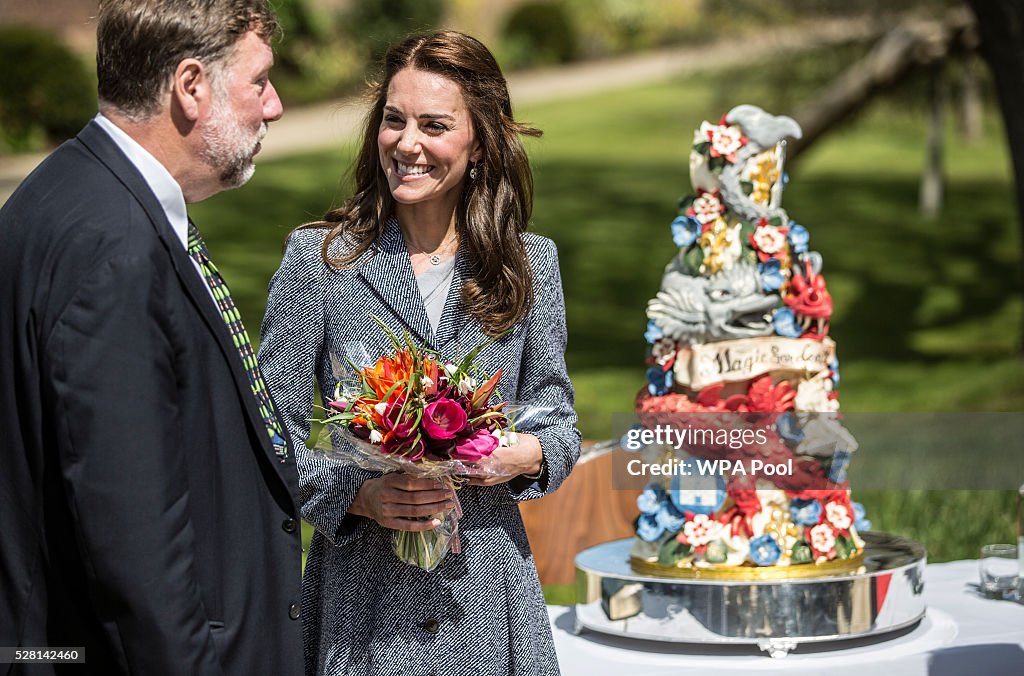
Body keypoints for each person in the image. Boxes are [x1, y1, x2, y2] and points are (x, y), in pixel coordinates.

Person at [258, 30, 581, 676]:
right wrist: (360, 495)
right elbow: (270, 437)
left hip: (490, 599)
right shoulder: (319, 262)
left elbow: (557, 419)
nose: (407, 144)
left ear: (480, 143)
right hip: (363, 607)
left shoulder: (529, 265)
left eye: (434, 125)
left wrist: (524, 455)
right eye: (394, 120)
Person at [0, 1, 303, 674]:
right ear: (191, 86)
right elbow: (133, 544)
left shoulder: (66, 190)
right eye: (259, 82)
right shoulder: (115, 250)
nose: (275, 106)